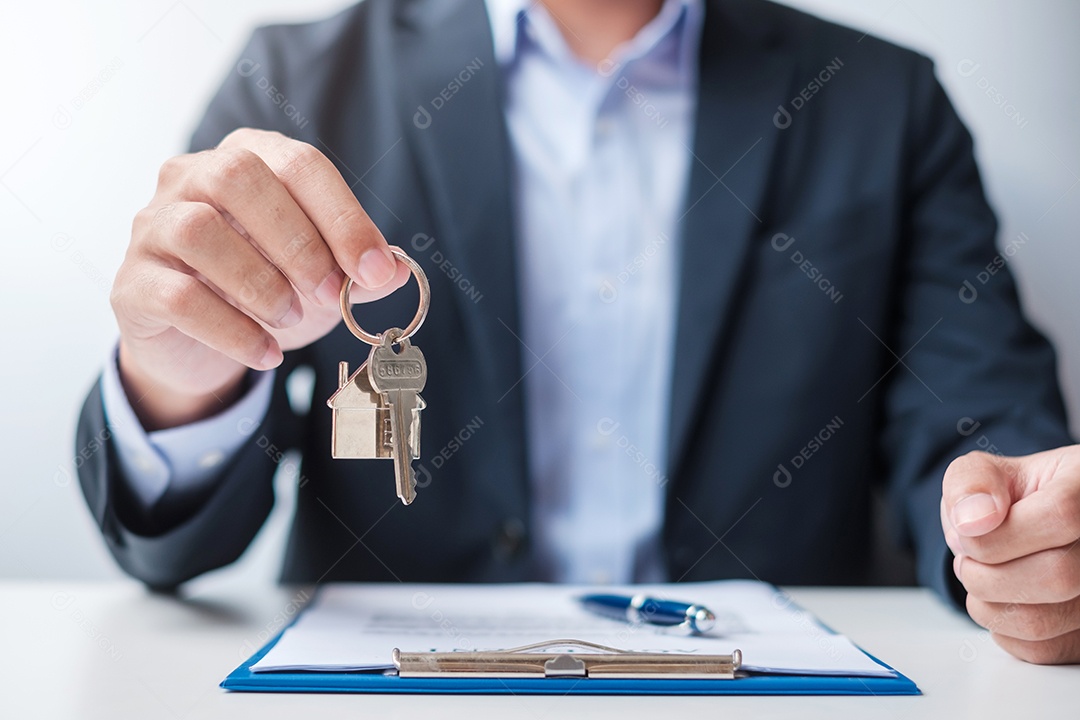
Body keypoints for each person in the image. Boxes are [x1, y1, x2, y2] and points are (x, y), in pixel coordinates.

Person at [75, 0, 1080, 664]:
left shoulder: (881, 100)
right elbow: (170, 560)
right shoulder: (297, 78)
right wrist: (182, 389)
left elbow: (982, 414)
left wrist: (1018, 536)